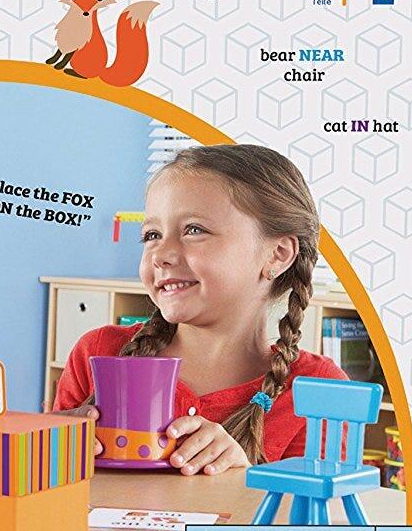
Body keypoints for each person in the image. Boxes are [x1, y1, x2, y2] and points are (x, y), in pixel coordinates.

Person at [54, 144, 346, 475]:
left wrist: (241, 480)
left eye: (194, 230)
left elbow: (318, 509)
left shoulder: (320, 391)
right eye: (152, 235)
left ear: (277, 254)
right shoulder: (97, 353)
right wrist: (48, 450)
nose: (160, 255)